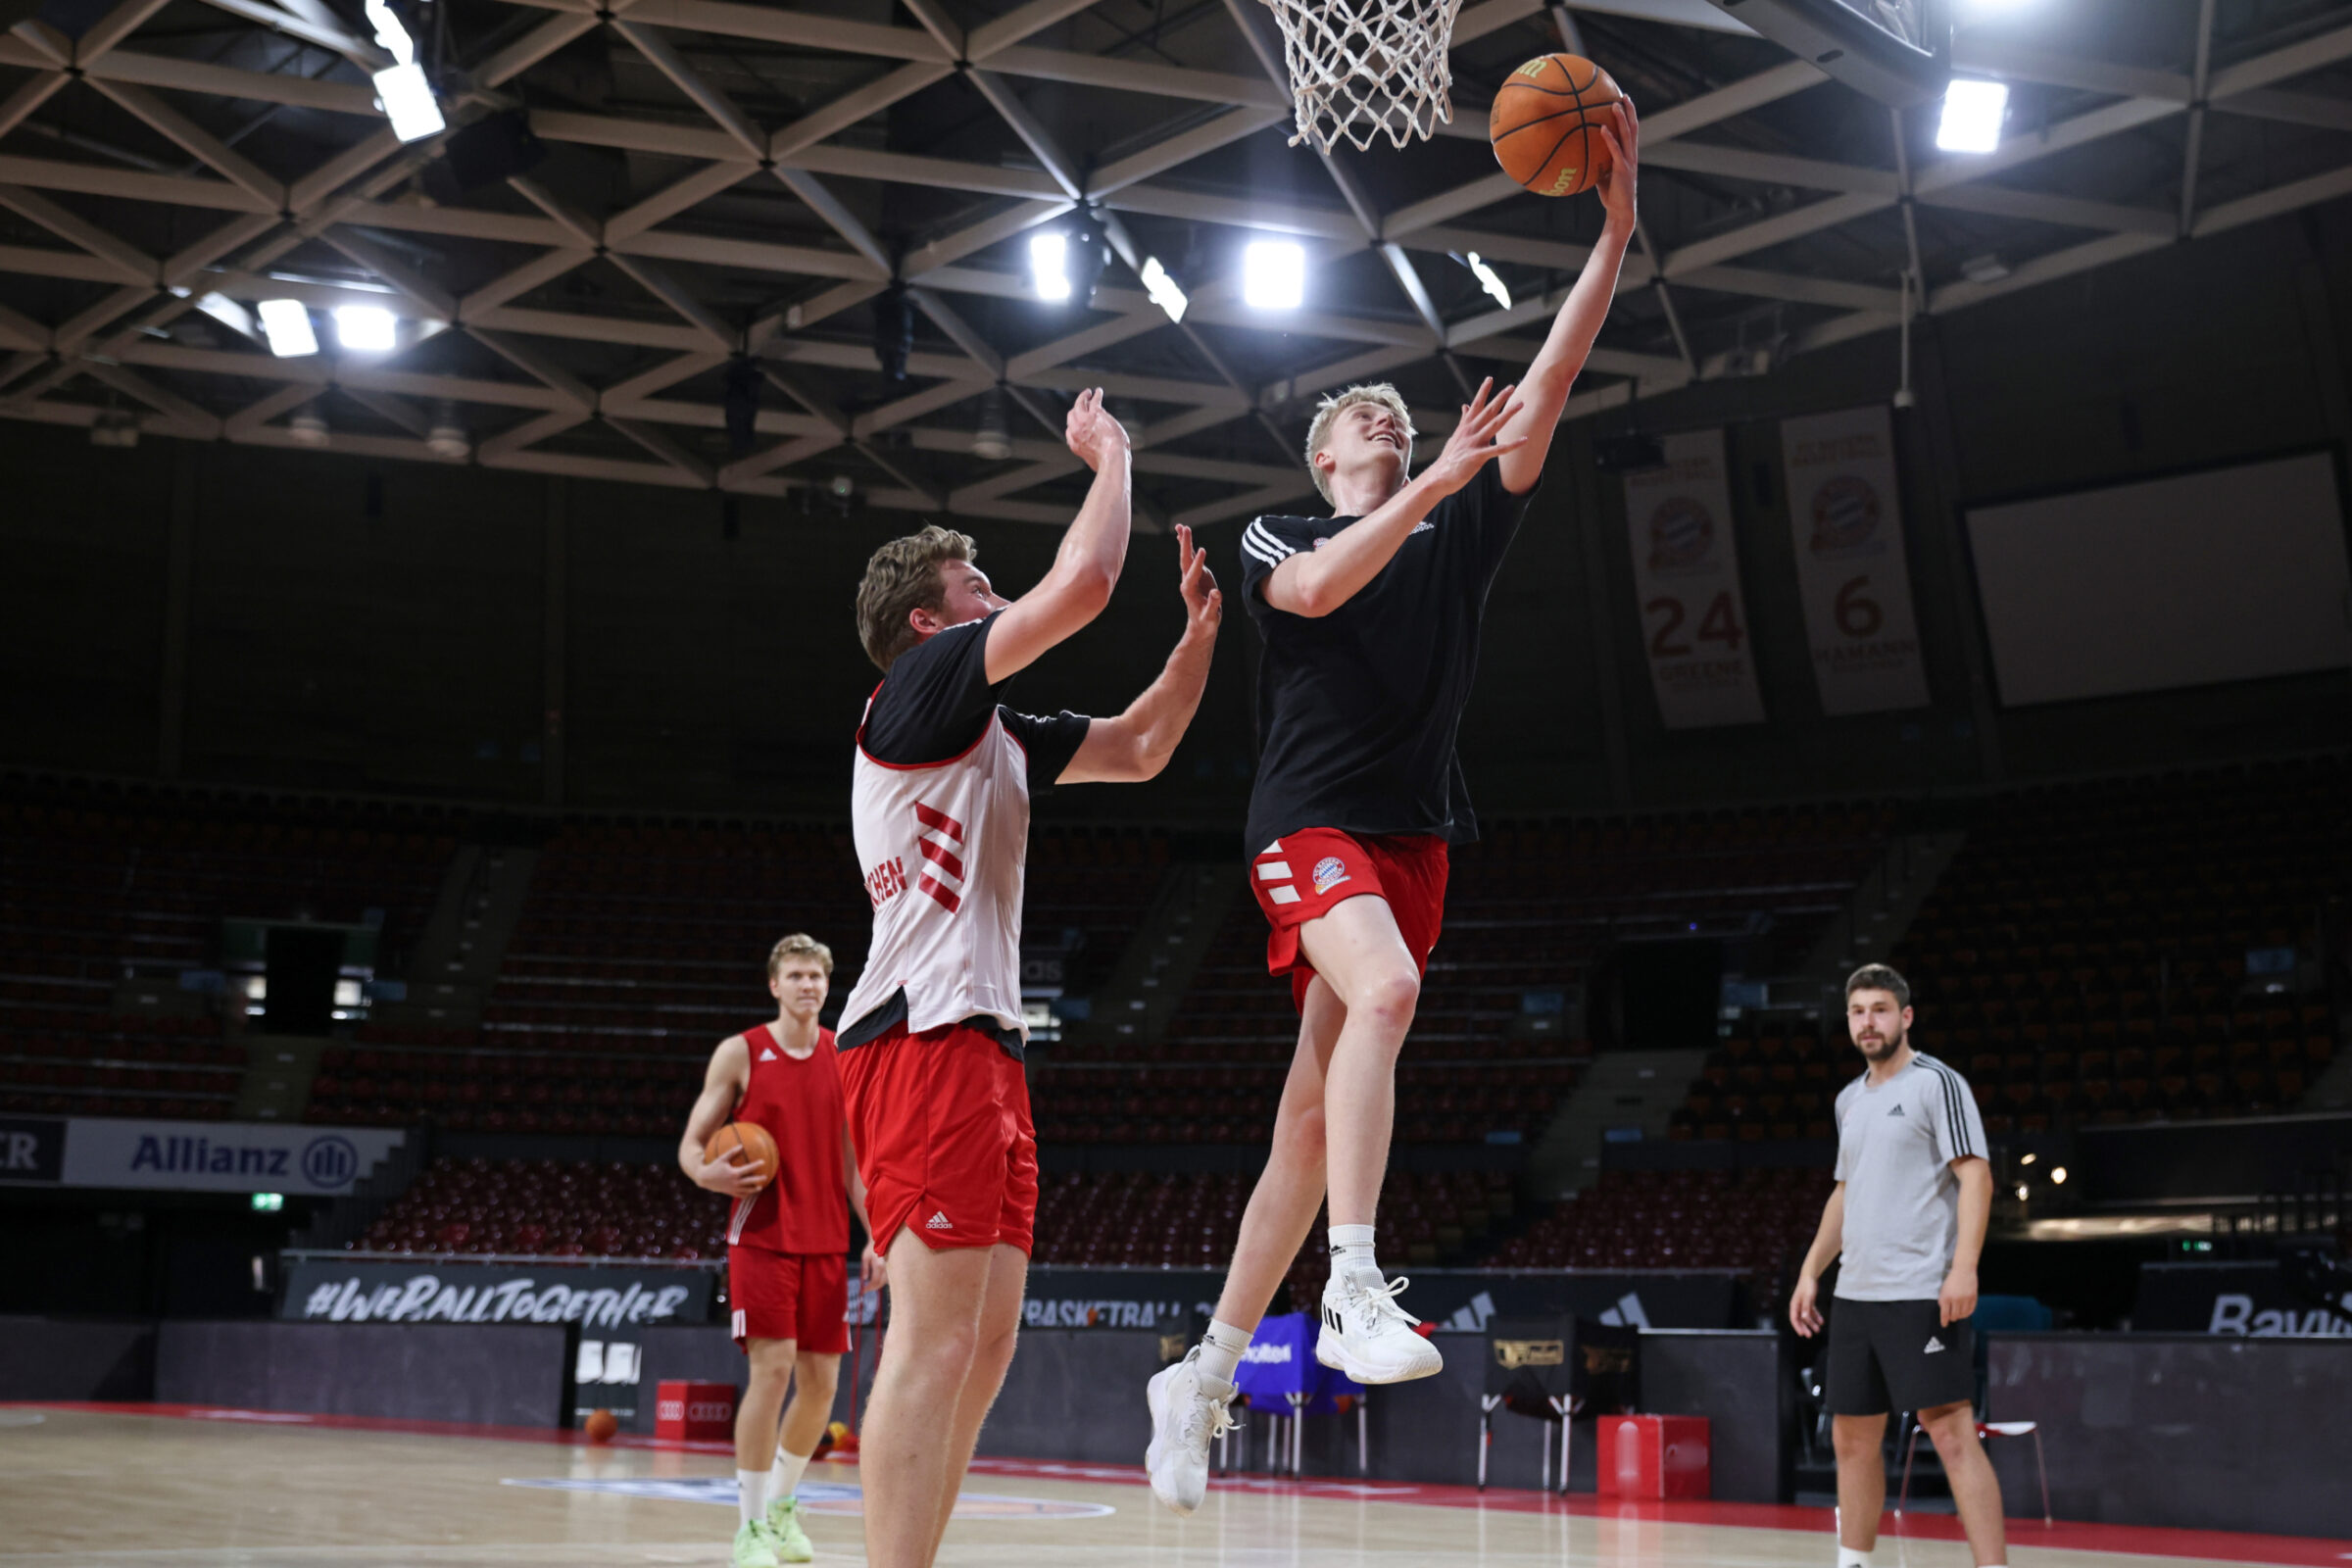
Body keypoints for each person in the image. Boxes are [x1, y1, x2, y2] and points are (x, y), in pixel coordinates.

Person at [1143, 104, 1645, 1516]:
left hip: (1413, 829)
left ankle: (1207, 1372)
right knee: (1393, 990)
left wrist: (1611, 233)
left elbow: (1549, 380)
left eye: (1400, 412)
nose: (1391, 411)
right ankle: (1355, 1286)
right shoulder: (1281, 532)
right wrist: (1430, 472)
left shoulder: (1464, 520)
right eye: (1365, 413)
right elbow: (1312, 598)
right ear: (1325, 460)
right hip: (1304, 817)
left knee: (1308, 1115)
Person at [839, 388, 1223, 1568]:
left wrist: (1200, 637)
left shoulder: (991, 728)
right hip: (922, 1038)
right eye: (974, 585)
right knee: (936, 1342)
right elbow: (1085, 585)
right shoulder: (921, 689)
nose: (993, 597)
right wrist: (1112, 456)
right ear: (925, 623)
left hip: (983, 1047)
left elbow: (1145, 748)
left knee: (986, 1344)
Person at [1789, 964, 2006, 1568]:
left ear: (1904, 1017)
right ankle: (1854, 1563)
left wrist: (1964, 1268)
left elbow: (1977, 1176)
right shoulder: (1848, 1100)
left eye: (1880, 1009)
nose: (1869, 1022)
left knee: (1951, 1435)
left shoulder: (1938, 1083)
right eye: (1858, 1011)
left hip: (1919, 1291)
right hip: (1856, 1294)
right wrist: (1812, 1271)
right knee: (1851, 1439)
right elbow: (1843, 1193)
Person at [680, 933, 878, 1568]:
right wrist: (703, 1173)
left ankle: (782, 1507)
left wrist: (877, 1234)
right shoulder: (740, 1053)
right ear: (775, 985)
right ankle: (748, 1528)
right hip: (761, 1236)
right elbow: (692, 1143)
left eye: (816, 977)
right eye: (795, 976)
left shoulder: (844, 1055)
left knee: (822, 1388)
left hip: (825, 1241)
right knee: (772, 1370)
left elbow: (855, 1163)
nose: (807, 986)